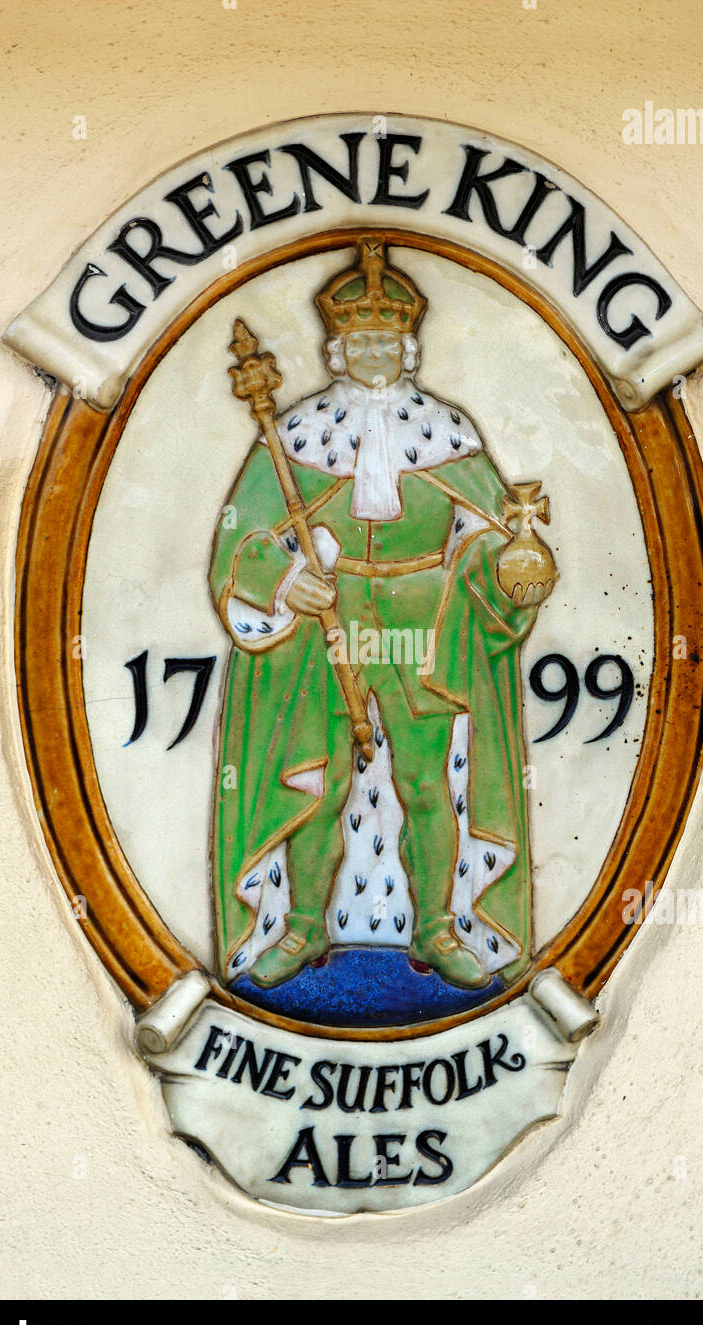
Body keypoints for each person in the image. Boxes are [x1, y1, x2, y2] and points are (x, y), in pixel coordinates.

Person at [209, 237, 554, 992]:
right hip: (326, 632)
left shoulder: (448, 433)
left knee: (428, 785)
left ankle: (436, 928)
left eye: (387, 340)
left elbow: (491, 534)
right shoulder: (294, 435)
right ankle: (302, 930)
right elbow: (244, 537)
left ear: (409, 349)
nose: (374, 354)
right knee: (321, 786)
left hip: (423, 630)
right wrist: (285, 580)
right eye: (360, 340)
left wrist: (507, 570)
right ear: (335, 352)